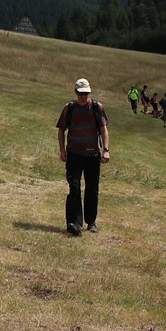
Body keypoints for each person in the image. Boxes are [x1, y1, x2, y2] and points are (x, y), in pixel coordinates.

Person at [56, 78, 111, 236]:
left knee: (92, 189)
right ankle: (75, 223)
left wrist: (106, 150)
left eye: (86, 93)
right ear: (75, 92)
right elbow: (61, 130)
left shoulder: (96, 107)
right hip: (74, 154)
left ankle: (91, 221)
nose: (83, 96)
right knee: (74, 187)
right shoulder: (70, 108)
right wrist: (62, 150)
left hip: (92, 155)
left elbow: (104, 129)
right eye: (80, 93)